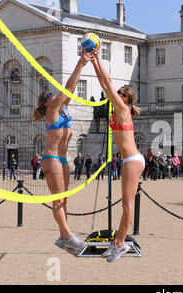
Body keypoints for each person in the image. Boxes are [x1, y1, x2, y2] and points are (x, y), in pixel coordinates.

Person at [31, 48, 92, 255]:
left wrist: (83, 67)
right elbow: (68, 86)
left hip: (64, 159)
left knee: (64, 199)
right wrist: (81, 62)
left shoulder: (63, 108)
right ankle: (69, 237)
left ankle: (62, 237)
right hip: (52, 158)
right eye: (49, 95)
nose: (53, 94)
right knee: (57, 200)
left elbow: (71, 90)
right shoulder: (52, 110)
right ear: (46, 103)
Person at [91, 46, 145, 262]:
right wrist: (93, 62)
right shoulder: (118, 108)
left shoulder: (122, 109)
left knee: (126, 204)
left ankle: (120, 245)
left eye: (121, 93)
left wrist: (97, 58)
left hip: (133, 160)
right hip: (129, 160)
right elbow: (106, 84)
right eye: (119, 92)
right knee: (125, 204)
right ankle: (117, 243)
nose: (118, 93)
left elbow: (108, 83)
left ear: (126, 99)